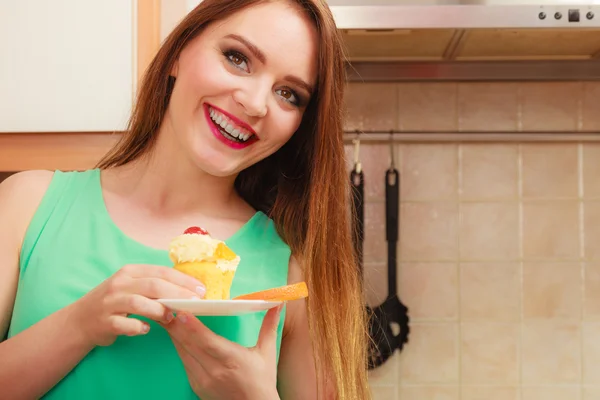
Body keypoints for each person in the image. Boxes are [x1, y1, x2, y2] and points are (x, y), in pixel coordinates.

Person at [0, 0, 370, 398]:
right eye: (237, 58)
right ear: (178, 51)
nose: (256, 103)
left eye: (289, 94)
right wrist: (79, 325)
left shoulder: (293, 271)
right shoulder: (26, 203)